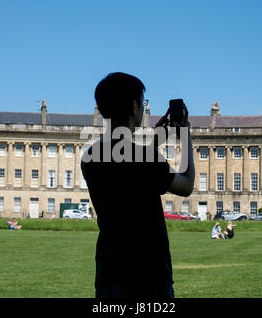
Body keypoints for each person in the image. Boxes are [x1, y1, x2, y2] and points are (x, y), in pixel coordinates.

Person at [81, 72, 195, 299]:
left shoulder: (90, 157)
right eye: (142, 103)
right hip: (148, 275)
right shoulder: (144, 158)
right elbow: (186, 184)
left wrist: (156, 140)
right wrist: (185, 135)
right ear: (134, 106)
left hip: (108, 273)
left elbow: (124, 162)